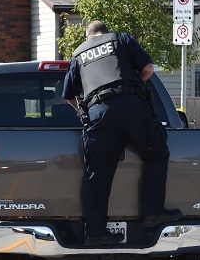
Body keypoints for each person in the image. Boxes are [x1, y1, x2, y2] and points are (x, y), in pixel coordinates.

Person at [63, 20, 181, 247]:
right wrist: (134, 86)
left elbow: (68, 94)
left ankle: (95, 233)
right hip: (130, 105)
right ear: (105, 32)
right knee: (155, 151)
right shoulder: (121, 39)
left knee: (97, 173)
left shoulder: (79, 54)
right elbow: (147, 69)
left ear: (88, 36)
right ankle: (153, 213)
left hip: (98, 113)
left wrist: (83, 112)